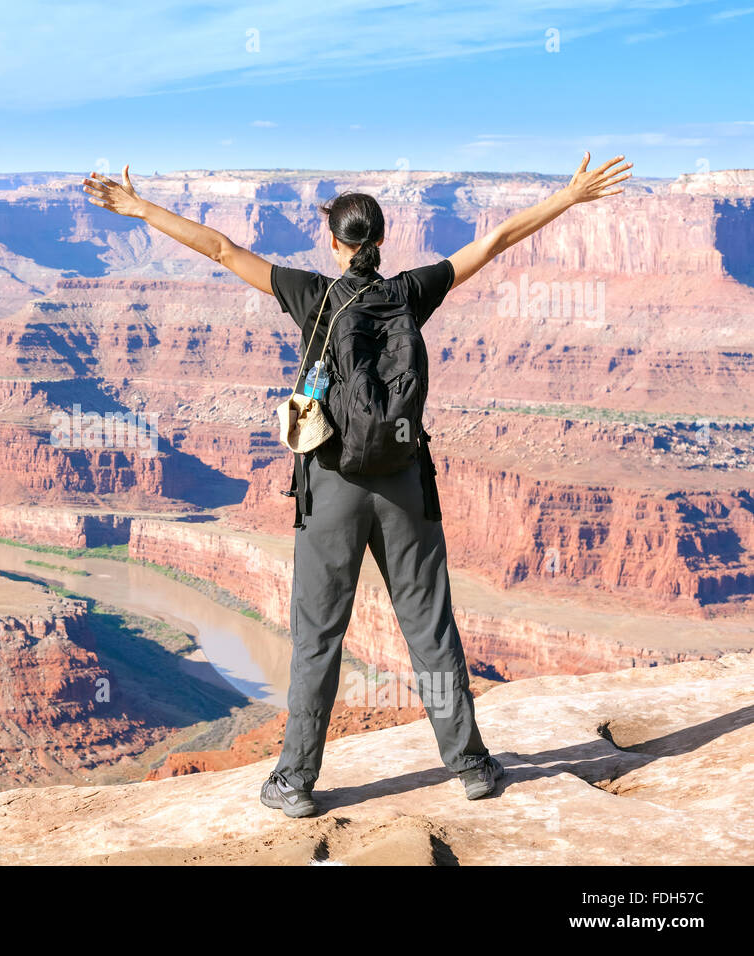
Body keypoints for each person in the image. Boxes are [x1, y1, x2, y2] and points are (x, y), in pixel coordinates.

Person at [82, 152, 633, 816]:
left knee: (318, 635)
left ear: (335, 243)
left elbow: (222, 249)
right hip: (405, 482)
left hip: (333, 487)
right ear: (379, 241)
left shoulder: (312, 295)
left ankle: (294, 781)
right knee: (430, 628)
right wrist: (569, 197)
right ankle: (472, 765)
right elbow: (495, 240)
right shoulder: (410, 292)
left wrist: (139, 208)